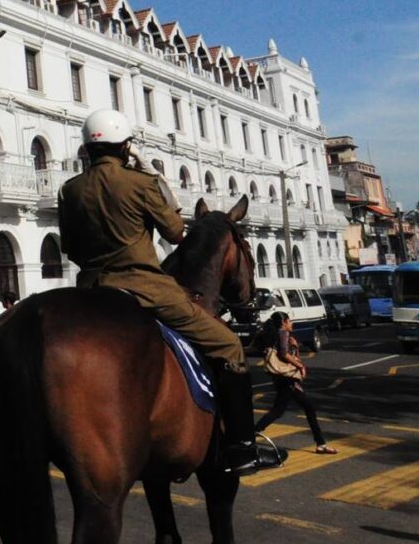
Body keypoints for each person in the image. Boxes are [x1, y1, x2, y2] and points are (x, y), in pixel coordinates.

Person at [58, 109, 283, 475]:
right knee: (229, 346)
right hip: (145, 287)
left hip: (90, 288)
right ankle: (243, 449)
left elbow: (70, 247)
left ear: (88, 148)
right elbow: (177, 233)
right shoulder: (138, 183)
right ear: (126, 147)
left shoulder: (69, 190)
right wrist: (156, 182)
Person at [255, 312, 335, 454]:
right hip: (288, 379)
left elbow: (292, 356)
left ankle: (252, 433)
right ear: (284, 322)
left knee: (280, 410)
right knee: (299, 409)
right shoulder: (283, 333)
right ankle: (320, 444)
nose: (292, 323)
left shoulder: (277, 335)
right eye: (290, 320)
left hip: (283, 378)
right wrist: (300, 366)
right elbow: (284, 354)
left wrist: (296, 347)